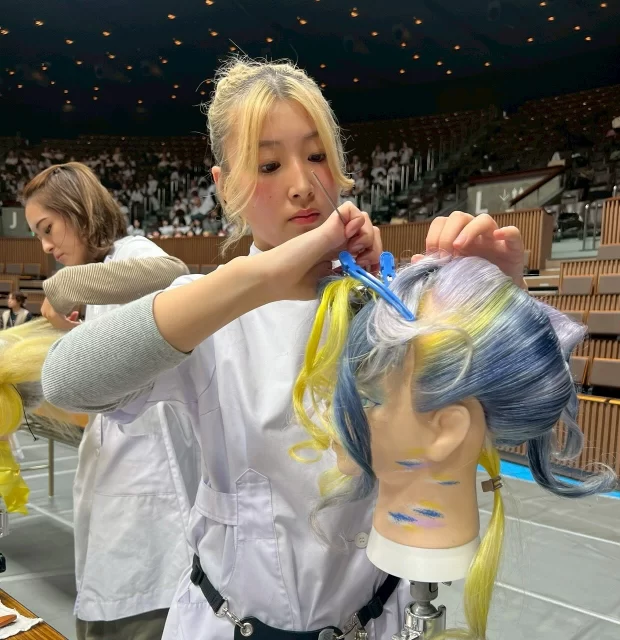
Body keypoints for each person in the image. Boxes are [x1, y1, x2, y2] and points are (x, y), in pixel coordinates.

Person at [41, 58, 525, 640]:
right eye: (268, 164)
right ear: (226, 185)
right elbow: (68, 380)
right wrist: (263, 278)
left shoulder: (394, 304)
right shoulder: (207, 310)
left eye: (317, 155)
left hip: (375, 622)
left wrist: (493, 297)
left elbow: (508, 418)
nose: (302, 184)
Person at [22, 161, 199, 640]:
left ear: (78, 211)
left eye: (48, 229)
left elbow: (173, 272)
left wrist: (64, 286)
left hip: (150, 506)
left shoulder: (132, 253)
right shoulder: (102, 274)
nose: (45, 246)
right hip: (116, 495)